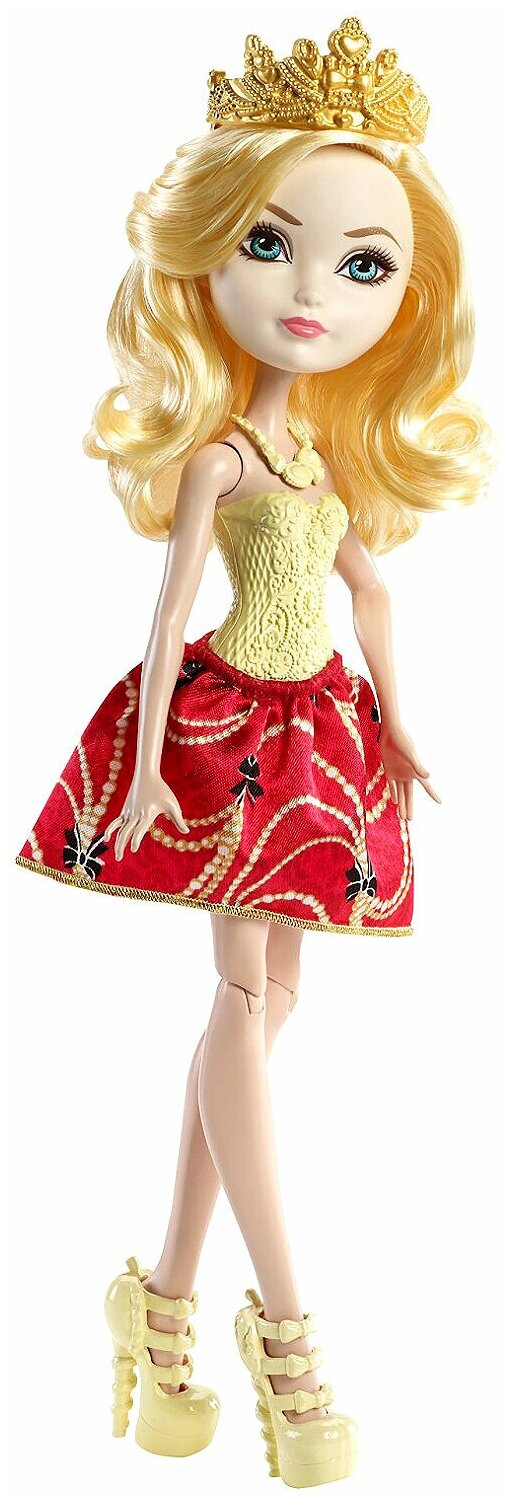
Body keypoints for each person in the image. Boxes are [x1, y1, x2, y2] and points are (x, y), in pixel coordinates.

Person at [15, 15, 493, 1489]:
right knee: (242, 999)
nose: (311, 293)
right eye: (272, 245)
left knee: (270, 1007)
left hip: (322, 737)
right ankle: (286, 1338)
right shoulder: (221, 458)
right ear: (207, 252)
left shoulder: (320, 458)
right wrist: (144, 766)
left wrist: (399, 719)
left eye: (364, 265)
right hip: (229, 731)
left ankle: (157, 1299)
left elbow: (374, 593)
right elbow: (166, 620)